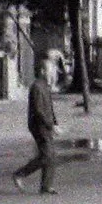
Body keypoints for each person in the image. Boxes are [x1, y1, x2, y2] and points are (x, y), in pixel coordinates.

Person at [13, 50, 62, 194]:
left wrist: (55, 123)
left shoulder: (45, 87)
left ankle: (46, 186)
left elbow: (49, 108)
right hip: (38, 125)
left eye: (52, 71)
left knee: (49, 155)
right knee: (48, 155)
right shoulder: (37, 87)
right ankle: (20, 174)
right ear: (42, 71)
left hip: (44, 124)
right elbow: (40, 110)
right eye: (49, 71)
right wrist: (51, 125)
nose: (52, 74)